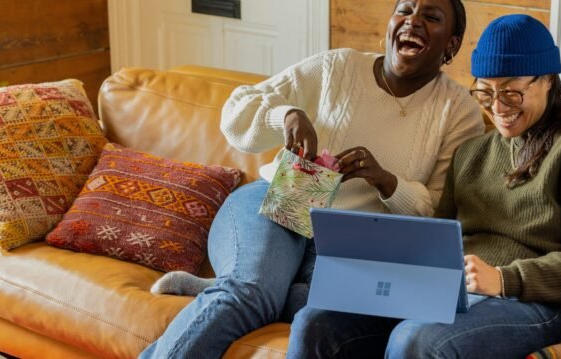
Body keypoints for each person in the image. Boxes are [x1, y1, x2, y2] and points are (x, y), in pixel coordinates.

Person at [139, 0, 484, 357]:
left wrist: (386, 182)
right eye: (405, 10)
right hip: (281, 198)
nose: (413, 22)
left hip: (351, 242)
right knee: (252, 293)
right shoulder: (339, 66)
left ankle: (227, 285)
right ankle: (243, 285)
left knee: (321, 303)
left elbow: (441, 214)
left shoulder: (459, 113)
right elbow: (236, 110)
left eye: (431, 16)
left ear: (452, 44)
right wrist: (286, 115)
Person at [288, 14, 561, 359]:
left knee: (415, 340)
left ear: (547, 81)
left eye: (511, 93)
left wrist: (503, 278)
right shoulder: (471, 152)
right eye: (485, 92)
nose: (497, 108)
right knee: (313, 322)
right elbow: (438, 235)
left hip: (531, 302)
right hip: (448, 290)